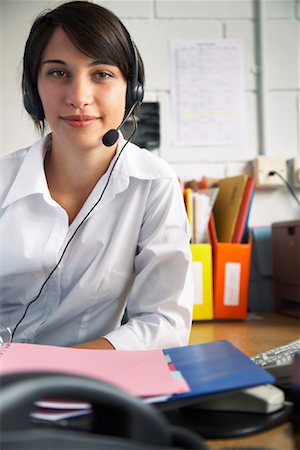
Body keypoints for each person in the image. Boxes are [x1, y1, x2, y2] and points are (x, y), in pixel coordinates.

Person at [0, 1, 193, 350]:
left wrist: (61, 368)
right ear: (33, 91)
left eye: (102, 74)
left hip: (91, 380)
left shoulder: (153, 184)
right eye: (58, 73)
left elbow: (165, 321)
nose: (78, 97)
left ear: (131, 89)